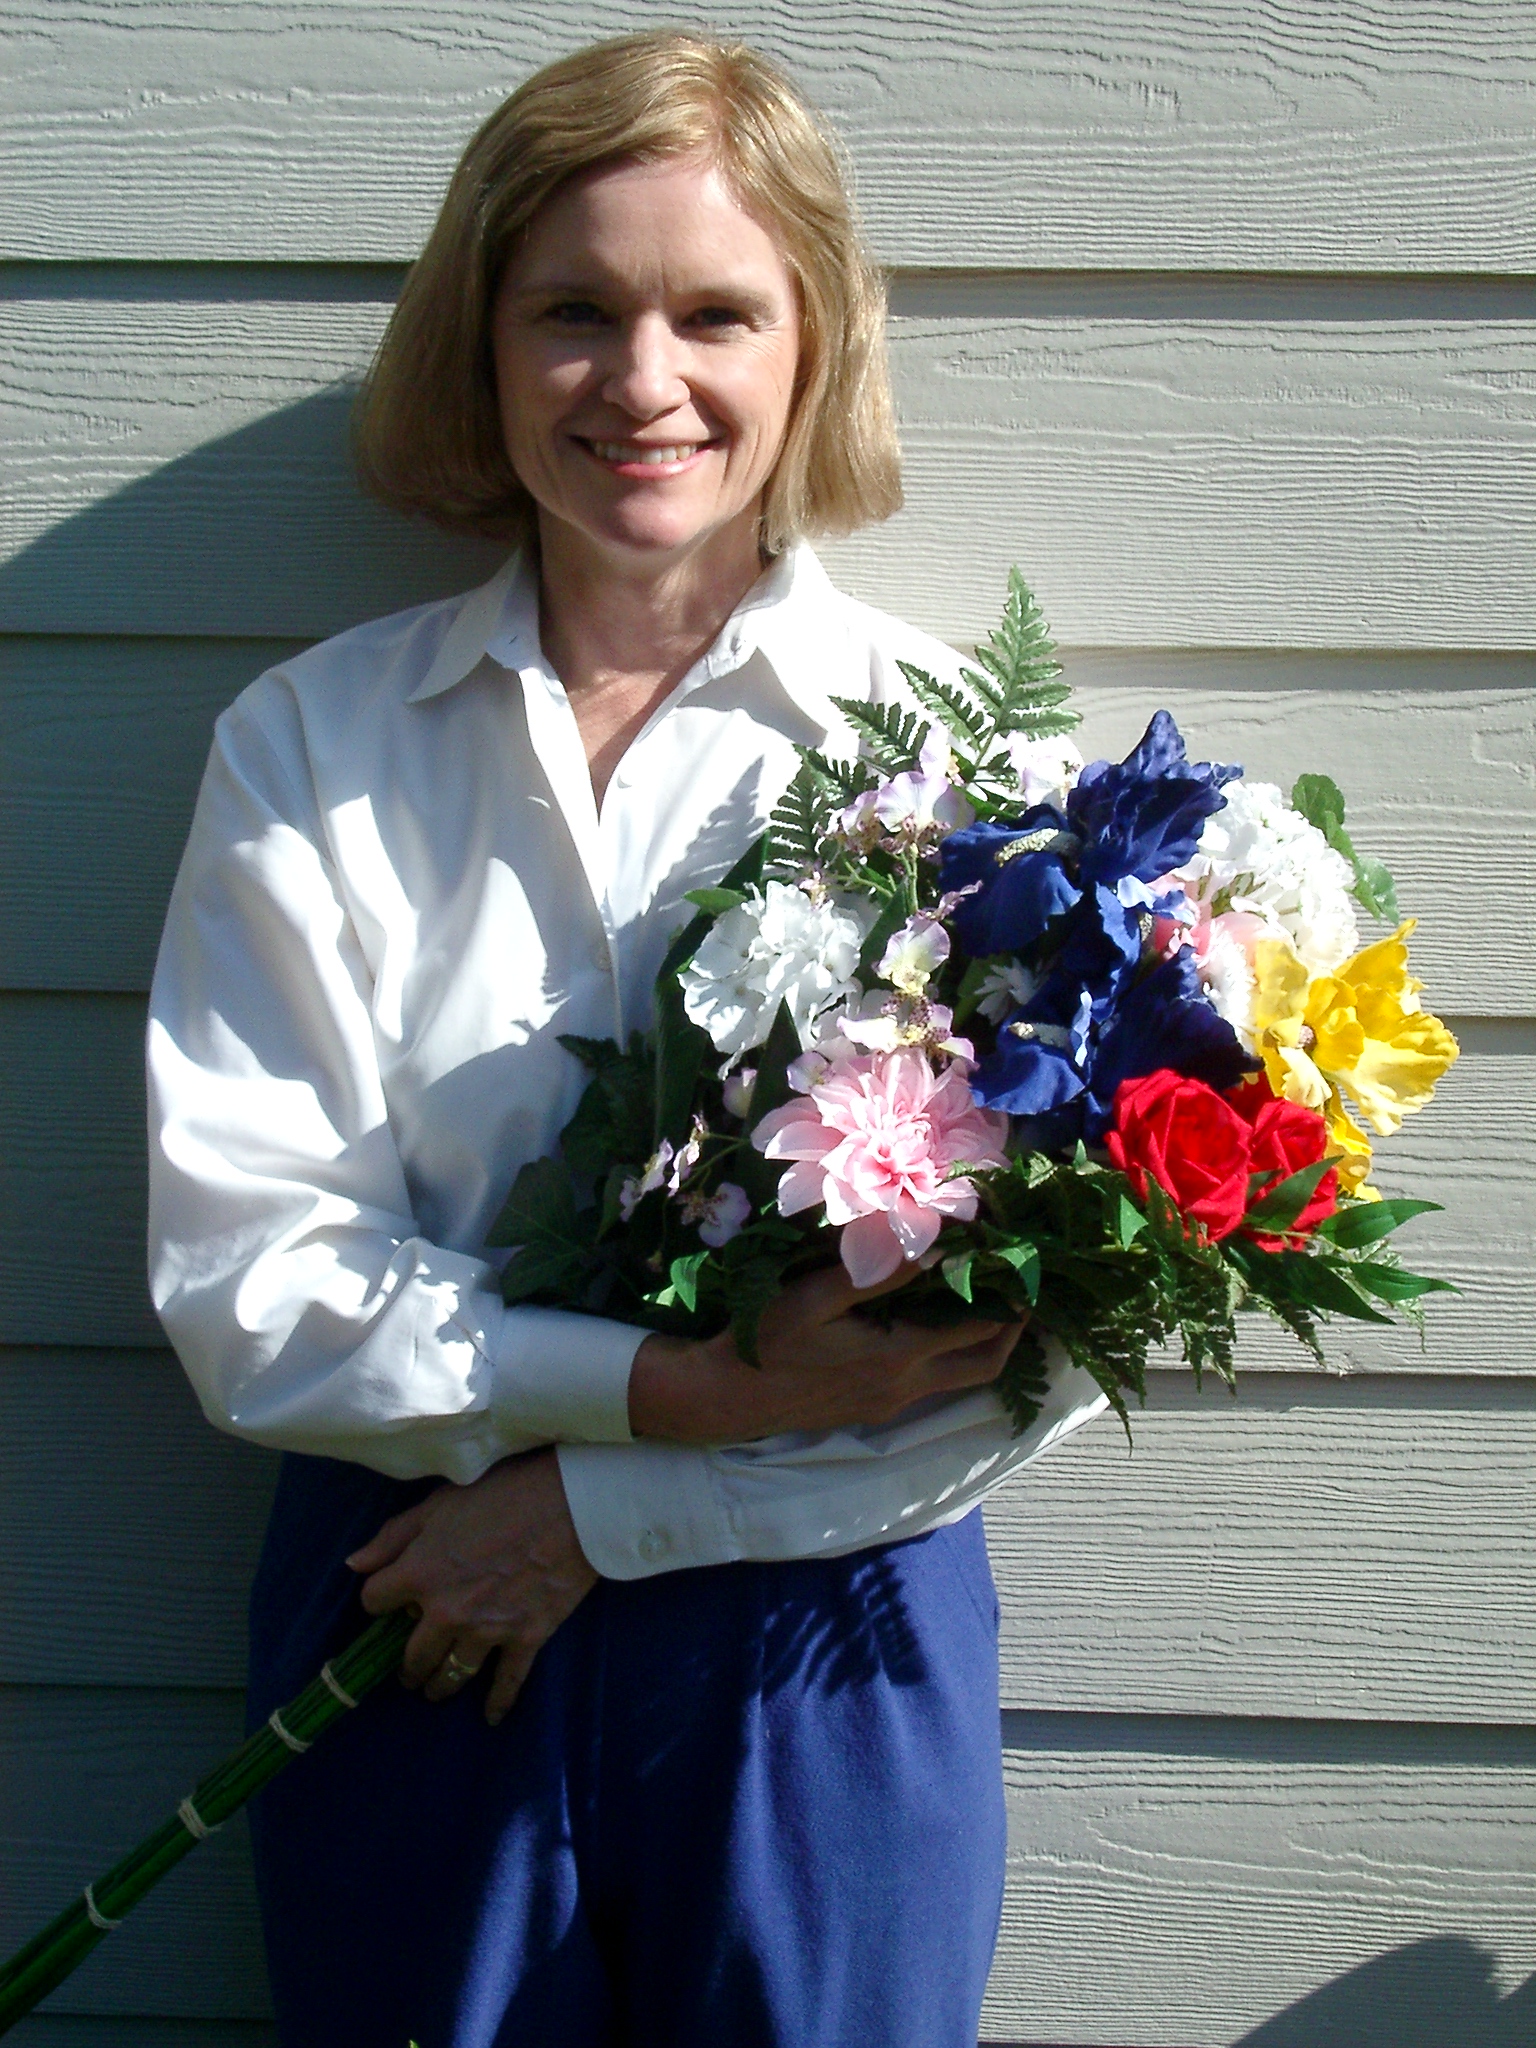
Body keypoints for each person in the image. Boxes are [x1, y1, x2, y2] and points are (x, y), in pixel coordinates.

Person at [147, 31, 1107, 2048]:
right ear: (482, 344)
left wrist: (601, 1505)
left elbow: (1031, 1340)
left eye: (715, 313)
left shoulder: (971, 765)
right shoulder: (314, 745)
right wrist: (672, 1393)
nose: (641, 378)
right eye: (573, 310)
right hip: (416, 1602)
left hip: (823, 1624)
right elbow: (251, 1278)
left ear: (813, 346)